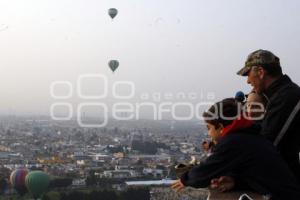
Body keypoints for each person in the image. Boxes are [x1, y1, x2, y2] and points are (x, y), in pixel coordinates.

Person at [171, 98, 300, 200]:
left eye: (209, 128)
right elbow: (261, 174)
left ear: (220, 126)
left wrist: (185, 179)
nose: (209, 134)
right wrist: (235, 181)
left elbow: (206, 171)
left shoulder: (233, 141)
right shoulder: (248, 136)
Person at [237, 49, 300, 180]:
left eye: (248, 74)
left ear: (260, 72)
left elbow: (266, 145)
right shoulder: (279, 95)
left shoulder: (287, 97)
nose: (248, 81)